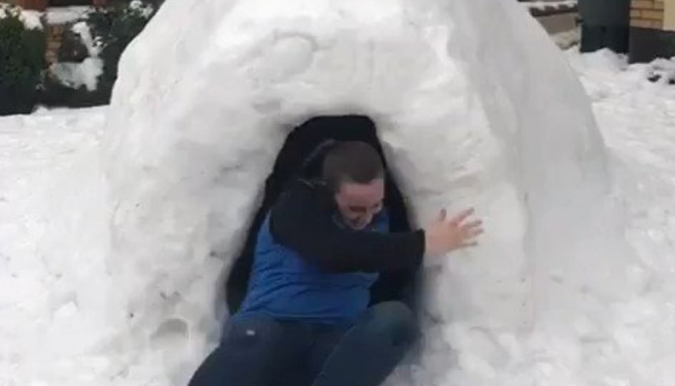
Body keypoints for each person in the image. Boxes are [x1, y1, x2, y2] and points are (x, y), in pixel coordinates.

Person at [188, 141, 483, 386]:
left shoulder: (381, 225)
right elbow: (331, 252)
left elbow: (381, 264)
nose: (367, 216)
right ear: (329, 193)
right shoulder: (296, 206)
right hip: (273, 336)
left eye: (375, 205)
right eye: (355, 207)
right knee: (255, 337)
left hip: (333, 350)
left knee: (394, 319)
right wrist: (422, 243)